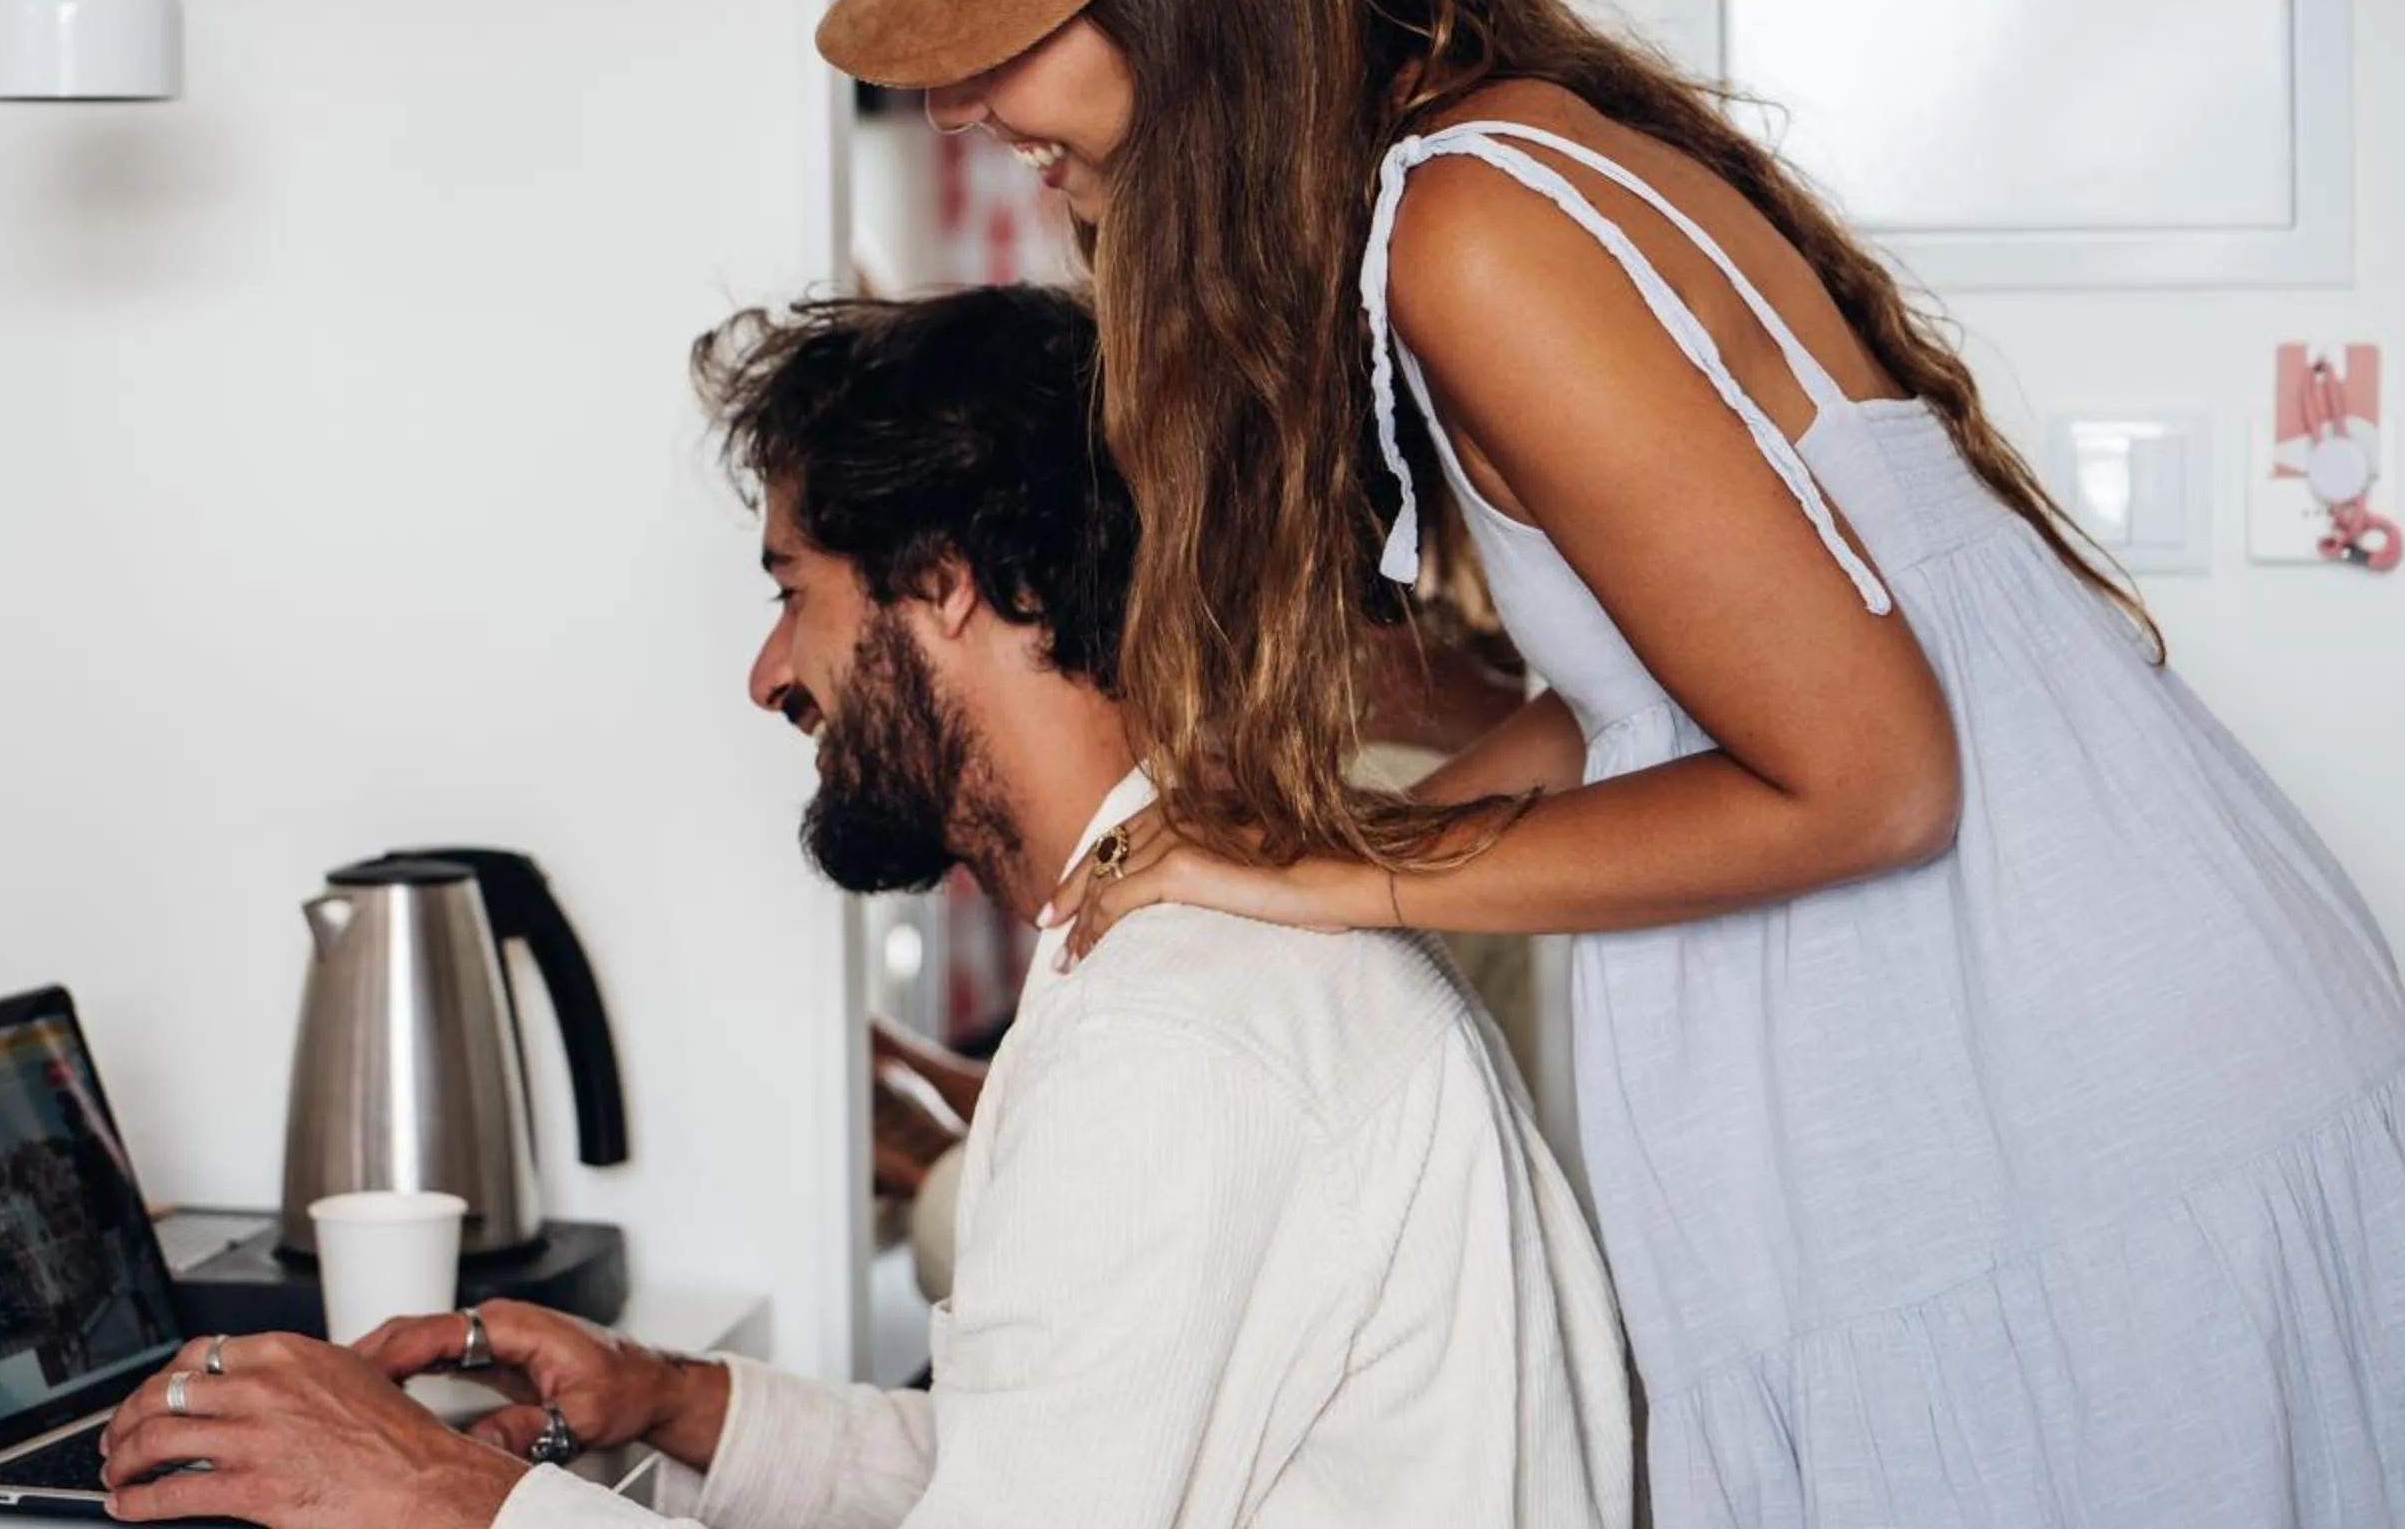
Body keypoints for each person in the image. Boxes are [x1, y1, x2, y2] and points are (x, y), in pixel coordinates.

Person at [812, 0, 2405, 1527]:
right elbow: (1646, 702)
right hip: (2052, 1035)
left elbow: (1875, 782)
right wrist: (1302, 858)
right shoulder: (1477, 163)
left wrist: (1336, 873)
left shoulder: (1474, 231)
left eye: (1001, 29)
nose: (957, 102)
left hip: (2073, 1082)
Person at [97, 286, 1631, 1528]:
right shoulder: (1154, 954)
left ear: (944, 581)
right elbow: (1031, 1464)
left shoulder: (1181, 1026)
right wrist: (678, 1400)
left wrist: (437, 1496)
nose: (769, 674)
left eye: (793, 590)